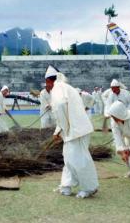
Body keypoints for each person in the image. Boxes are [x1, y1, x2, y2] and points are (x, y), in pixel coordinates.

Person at [46, 66, 99, 198]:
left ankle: (89, 188)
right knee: (69, 158)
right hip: (72, 130)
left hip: (77, 130)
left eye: (46, 82)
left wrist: (60, 130)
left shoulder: (58, 89)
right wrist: (59, 131)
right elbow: (62, 110)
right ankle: (66, 185)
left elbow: (60, 107)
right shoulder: (62, 88)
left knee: (79, 160)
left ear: (49, 81)